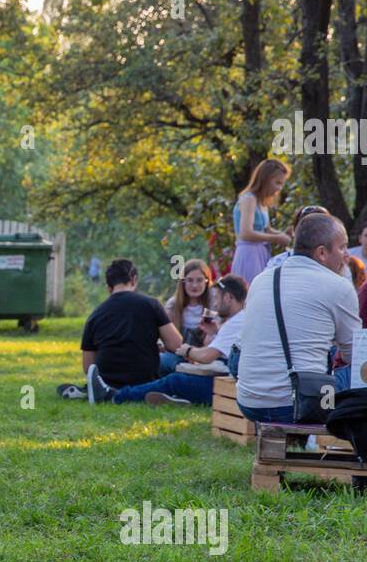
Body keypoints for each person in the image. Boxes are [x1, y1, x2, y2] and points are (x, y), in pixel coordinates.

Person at [235, 213, 360, 424]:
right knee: (360, 370)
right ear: (322, 252)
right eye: (342, 247)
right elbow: (355, 357)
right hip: (301, 403)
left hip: (249, 403)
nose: (346, 255)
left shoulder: (262, 279)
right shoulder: (338, 286)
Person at [106, 275, 248, 406]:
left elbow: (206, 357)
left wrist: (187, 350)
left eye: (216, 298)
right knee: (178, 376)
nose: (215, 304)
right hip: (232, 384)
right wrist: (213, 333)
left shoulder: (235, 322)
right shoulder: (243, 318)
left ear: (228, 297)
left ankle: (117, 396)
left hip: (229, 389)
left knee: (175, 380)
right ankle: (177, 397)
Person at [72, 259, 184, 403]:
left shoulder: (95, 315)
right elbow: (176, 345)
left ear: (109, 287)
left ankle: (91, 392)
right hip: (144, 382)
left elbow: (88, 367)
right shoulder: (151, 304)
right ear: (133, 279)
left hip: (106, 382)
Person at [231, 158, 291, 281]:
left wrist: (283, 234)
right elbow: (245, 233)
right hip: (249, 254)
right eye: (277, 183)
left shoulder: (262, 202)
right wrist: (277, 238)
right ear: (265, 180)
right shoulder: (249, 199)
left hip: (261, 253)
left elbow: (266, 229)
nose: (280, 188)